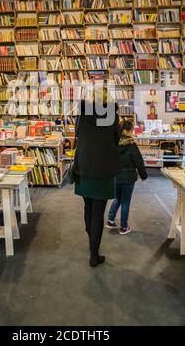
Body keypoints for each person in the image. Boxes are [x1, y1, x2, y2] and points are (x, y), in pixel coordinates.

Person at [74, 88, 120, 267]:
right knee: (98, 214)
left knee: (88, 206)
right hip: (104, 169)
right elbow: (116, 139)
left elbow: (77, 136)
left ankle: (90, 236)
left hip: (85, 167)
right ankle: (94, 254)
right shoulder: (112, 116)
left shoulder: (82, 114)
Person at [106, 120, 147, 235]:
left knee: (117, 199)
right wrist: (143, 175)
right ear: (129, 131)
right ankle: (123, 227)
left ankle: (110, 220)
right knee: (125, 202)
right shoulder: (131, 145)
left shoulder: (114, 143)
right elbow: (139, 161)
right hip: (129, 177)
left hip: (115, 176)